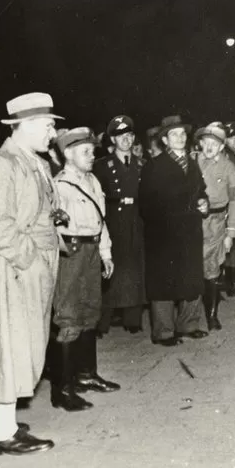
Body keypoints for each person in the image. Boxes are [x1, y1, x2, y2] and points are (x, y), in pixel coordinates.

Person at [0, 92, 61, 455]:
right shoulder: (3, 163)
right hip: (11, 269)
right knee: (8, 344)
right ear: (23, 126)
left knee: (19, 345)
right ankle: (2, 434)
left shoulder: (32, 161)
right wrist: (31, 260)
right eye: (48, 125)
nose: (52, 133)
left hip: (26, 267)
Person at [49, 127, 119, 412]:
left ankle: (86, 375)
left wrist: (105, 252)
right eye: (85, 151)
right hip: (71, 253)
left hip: (91, 250)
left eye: (92, 150)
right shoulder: (59, 186)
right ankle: (63, 389)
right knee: (68, 316)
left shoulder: (92, 181)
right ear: (68, 154)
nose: (92, 156)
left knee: (90, 311)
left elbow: (100, 220)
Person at [139, 115, 209, 346]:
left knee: (190, 277)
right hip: (164, 234)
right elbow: (147, 205)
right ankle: (164, 331)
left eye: (182, 134)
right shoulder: (154, 167)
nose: (180, 138)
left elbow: (201, 191)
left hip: (190, 231)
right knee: (164, 282)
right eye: (174, 135)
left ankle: (189, 324)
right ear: (165, 141)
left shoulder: (192, 163)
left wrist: (203, 201)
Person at [93, 115, 147, 336]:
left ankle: (132, 320)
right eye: (120, 136)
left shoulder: (142, 164)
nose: (126, 139)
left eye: (129, 135)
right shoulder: (102, 166)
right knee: (110, 272)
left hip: (136, 220)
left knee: (135, 269)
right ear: (112, 140)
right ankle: (102, 322)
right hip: (113, 223)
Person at [196, 123, 235, 331]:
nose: (209, 147)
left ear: (222, 146)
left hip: (216, 224)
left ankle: (212, 315)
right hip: (192, 221)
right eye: (205, 142)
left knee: (212, 268)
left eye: (214, 143)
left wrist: (230, 233)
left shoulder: (229, 169)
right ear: (200, 144)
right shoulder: (192, 161)